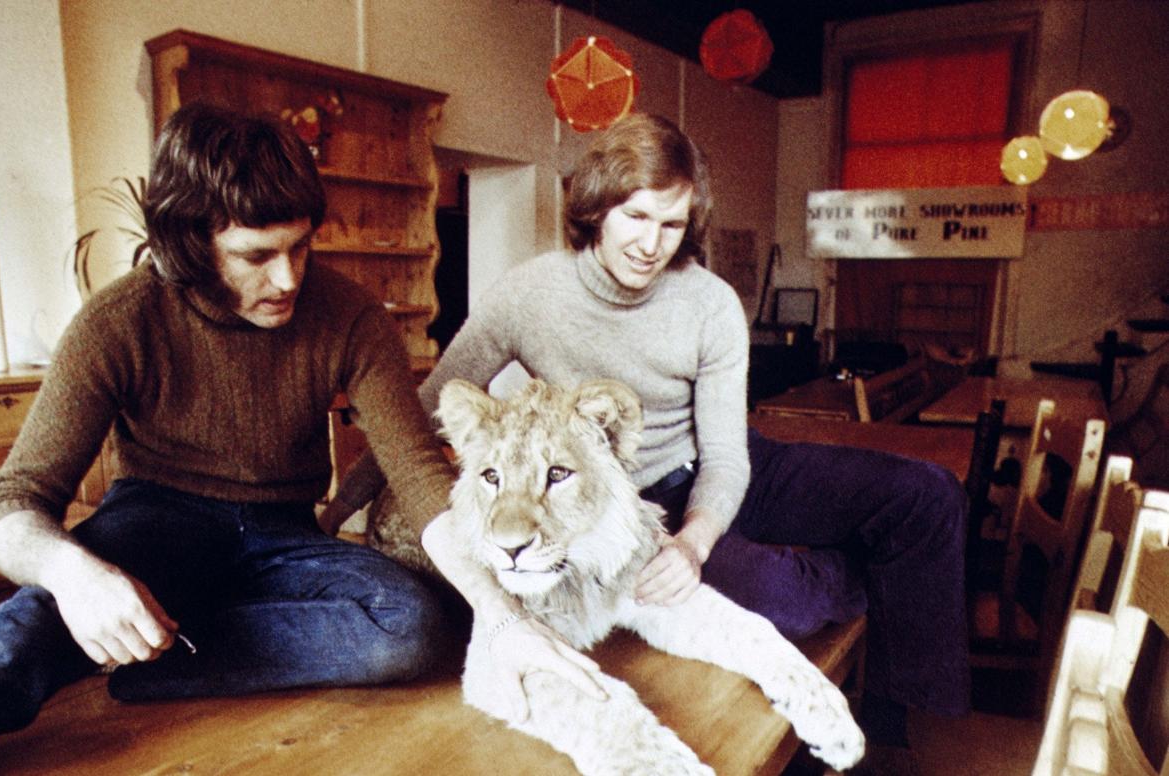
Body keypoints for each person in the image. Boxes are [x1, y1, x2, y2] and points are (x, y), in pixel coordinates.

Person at [0, 103, 604, 775]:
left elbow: (421, 476)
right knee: (23, 632)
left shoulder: (349, 316)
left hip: (285, 532)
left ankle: (167, 650)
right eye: (256, 255)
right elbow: (10, 504)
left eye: (300, 247)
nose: (288, 279)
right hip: (158, 520)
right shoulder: (118, 321)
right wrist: (73, 575)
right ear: (189, 244)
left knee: (415, 627)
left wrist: (502, 614)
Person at [337, 113, 969, 775]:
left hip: (718, 469)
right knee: (792, 601)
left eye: (672, 225)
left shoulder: (711, 302)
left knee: (926, 493)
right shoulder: (527, 295)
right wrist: (340, 512)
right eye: (636, 218)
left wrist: (694, 545)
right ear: (595, 210)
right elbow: (416, 416)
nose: (652, 245)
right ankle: (866, 583)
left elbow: (727, 456)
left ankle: (897, 726)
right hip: (622, 493)